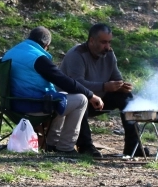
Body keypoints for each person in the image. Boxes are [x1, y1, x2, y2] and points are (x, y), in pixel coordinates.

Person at [1, 26, 104, 155]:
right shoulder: (38, 58)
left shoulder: (10, 53)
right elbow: (63, 80)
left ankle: (52, 144)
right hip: (32, 107)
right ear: (46, 45)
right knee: (81, 100)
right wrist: (90, 95)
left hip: (10, 105)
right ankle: (65, 147)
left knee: (61, 97)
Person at [59, 23, 146, 158]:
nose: (107, 47)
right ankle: (86, 146)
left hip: (99, 98)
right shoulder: (77, 54)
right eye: (103, 42)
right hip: (73, 100)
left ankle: (133, 147)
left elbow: (116, 78)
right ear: (92, 41)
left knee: (126, 97)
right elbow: (76, 84)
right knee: (80, 99)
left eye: (109, 42)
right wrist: (105, 86)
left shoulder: (109, 54)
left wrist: (122, 86)